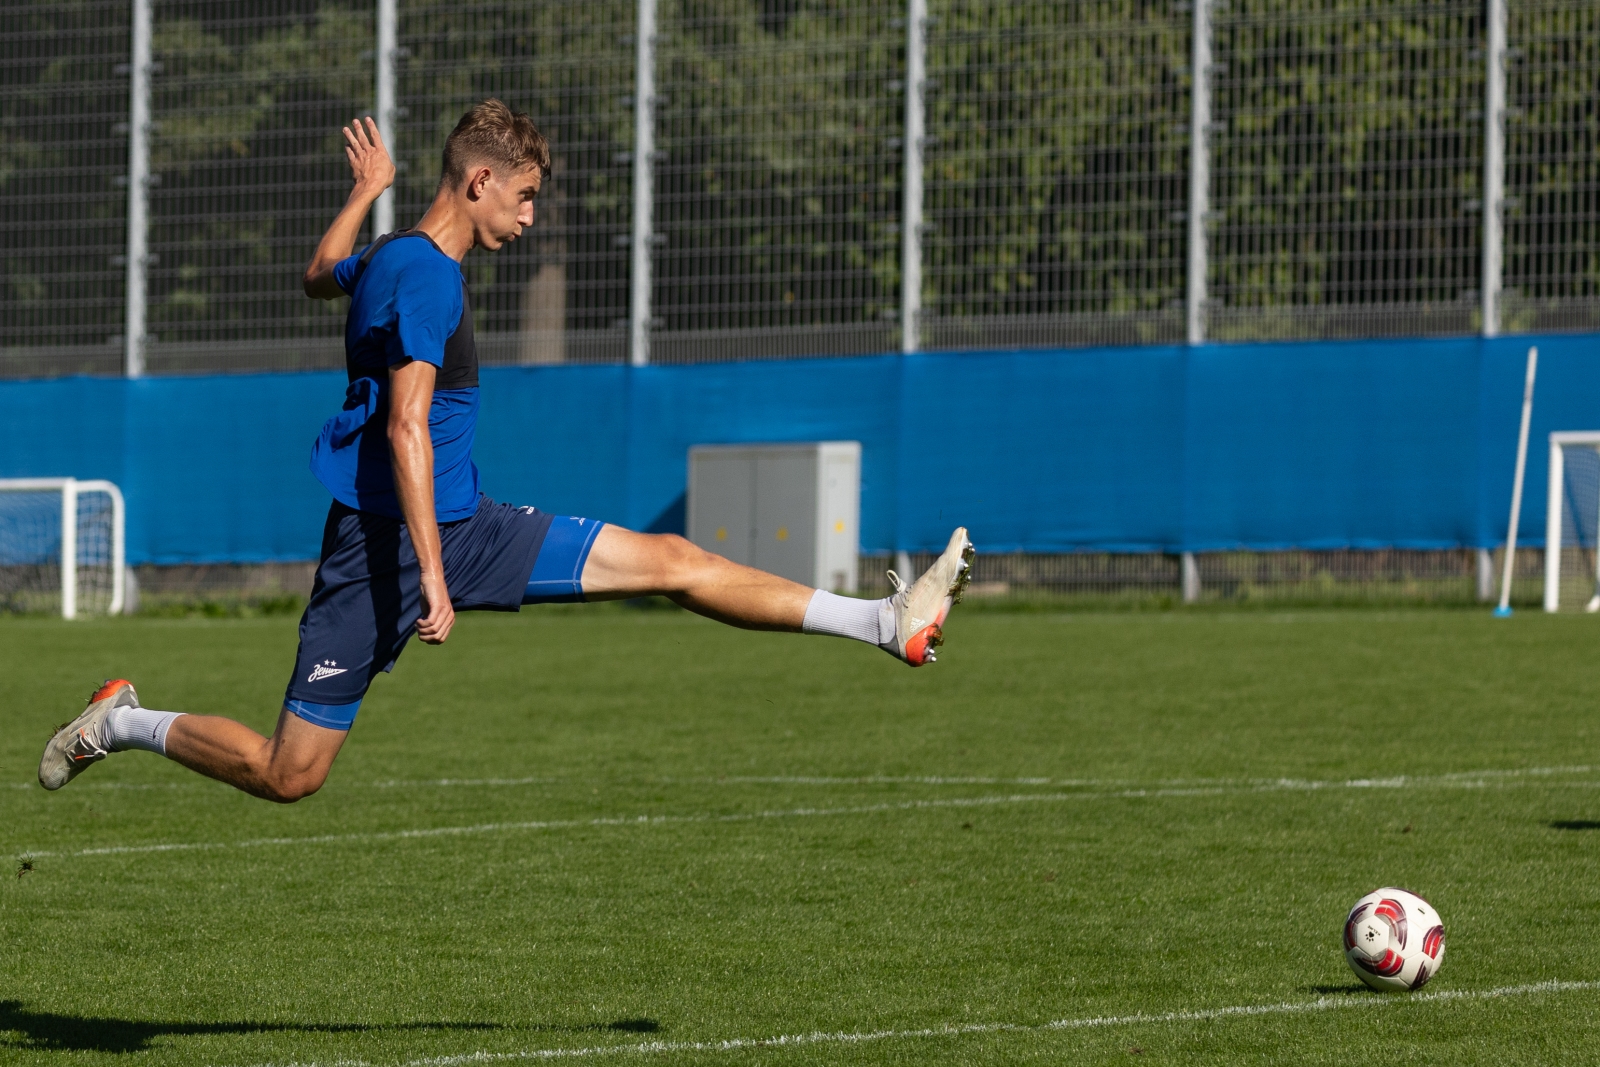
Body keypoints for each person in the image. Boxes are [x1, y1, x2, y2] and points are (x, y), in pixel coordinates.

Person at [38, 100, 973, 803]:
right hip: (385, 552)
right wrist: (433, 576)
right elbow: (405, 427)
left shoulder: (394, 255)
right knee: (290, 774)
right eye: (524, 198)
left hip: (469, 524)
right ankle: (122, 720)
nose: (528, 219)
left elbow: (319, 274)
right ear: (479, 180)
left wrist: (365, 193)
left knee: (672, 561)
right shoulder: (428, 279)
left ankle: (879, 623)